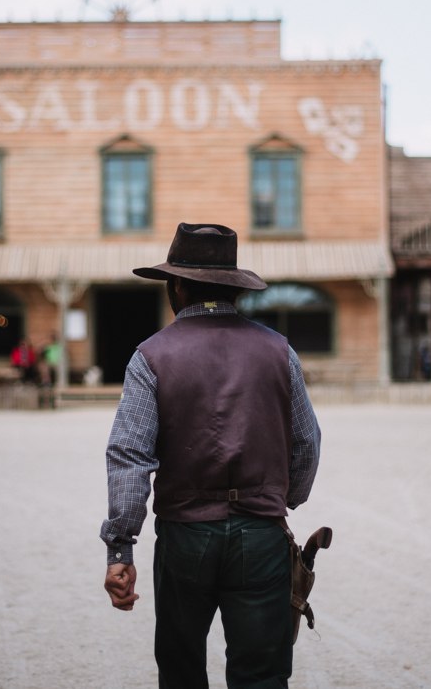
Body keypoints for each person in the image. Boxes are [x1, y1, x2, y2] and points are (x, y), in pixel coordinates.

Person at [100, 223, 322, 688]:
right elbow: (307, 441)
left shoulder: (151, 356)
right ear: (233, 287)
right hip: (261, 535)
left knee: (181, 671)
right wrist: (280, 499)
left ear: (177, 287)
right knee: (261, 676)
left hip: (186, 536)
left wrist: (121, 545)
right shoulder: (279, 351)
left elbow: (129, 455)